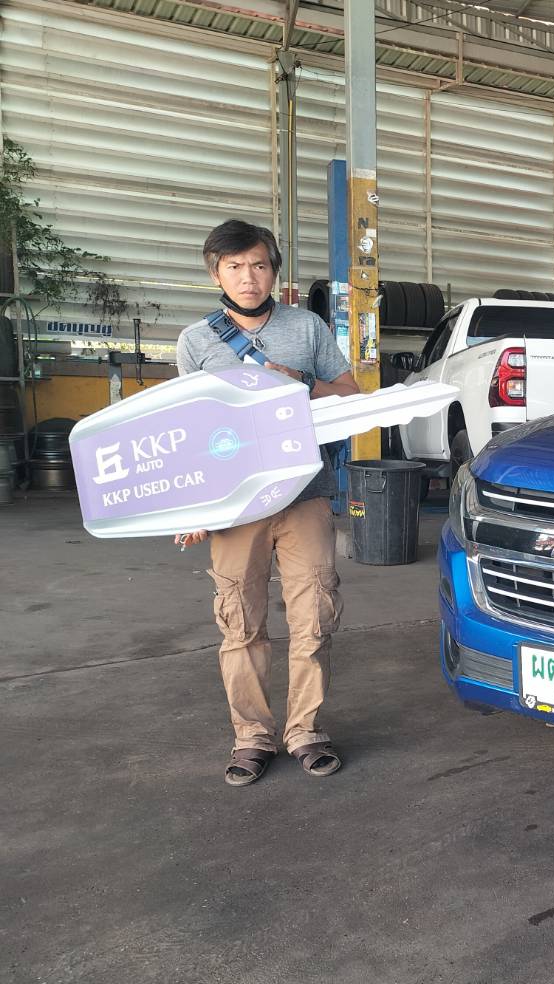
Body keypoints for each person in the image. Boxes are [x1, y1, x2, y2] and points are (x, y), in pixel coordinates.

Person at [173, 220, 360, 786]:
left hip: (304, 494)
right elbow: (188, 430)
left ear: (274, 272)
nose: (248, 277)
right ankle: (252, 736)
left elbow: (349, 394)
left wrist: (301, 379)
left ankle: (306, 730)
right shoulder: (195, 341)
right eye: (234, 267)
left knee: (314, 618)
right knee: (240, 622)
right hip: (235, 504)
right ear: (216, 274)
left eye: (258, 265)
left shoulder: (306, 328)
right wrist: (195, 507)